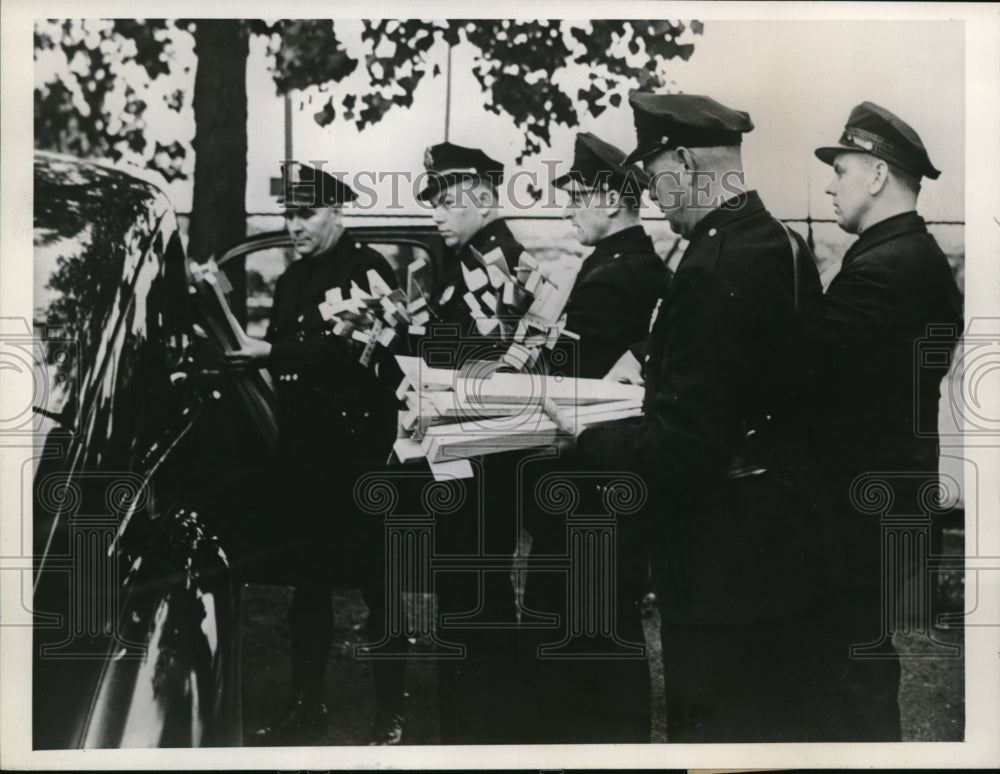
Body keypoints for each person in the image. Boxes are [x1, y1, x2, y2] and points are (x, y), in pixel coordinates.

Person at [555, 92, 834, 742]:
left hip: (722, 574)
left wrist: (588, 435)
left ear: (683, 159)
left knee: (716, 741)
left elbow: (684, 451)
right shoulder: (782, 244)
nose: (652, 196)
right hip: (790, 542)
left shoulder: (710, 269)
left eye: (654, 179)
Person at [227, 162, 408, 745]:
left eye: (305, 214)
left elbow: (342, 356)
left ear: (338, 212)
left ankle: (390, 717)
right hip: (307, 457)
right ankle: (306, 706)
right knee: (308, 588)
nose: (294, 226)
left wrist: (267, 353)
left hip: (361, 458)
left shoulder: (370, 271)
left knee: (381, 590)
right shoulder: (291, 279)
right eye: (288, 214)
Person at [810, 102, 963, 741]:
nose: (829, 183)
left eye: (840, 170)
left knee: (844, 670)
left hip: (852, 506)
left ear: (875, 175)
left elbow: (809, 380)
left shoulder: (880, 271)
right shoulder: (915, 257)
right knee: (862, 658)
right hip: (885, 499)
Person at [517, 130, 670, 742]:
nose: (568, 207)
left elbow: (564, 383)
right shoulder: (636, 264)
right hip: (613, 487)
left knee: (583, 646)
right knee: (604, 635)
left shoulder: (611, 276)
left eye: (578, 194)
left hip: (587, 491)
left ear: (611, 199)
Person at [411, 142, 526, 743]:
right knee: (466, 596)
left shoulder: (498, 262)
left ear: (483, 197)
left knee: (476, 597)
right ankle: (474, 726)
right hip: (463, 455)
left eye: (448, 201)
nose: (436, 214)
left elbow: (493, 368)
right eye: (434, 201)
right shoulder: (468, 260)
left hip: (483, 458)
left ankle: (485, 734)